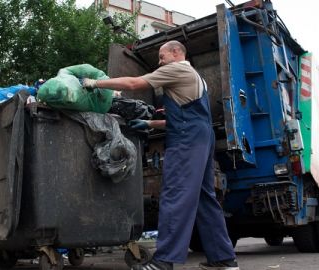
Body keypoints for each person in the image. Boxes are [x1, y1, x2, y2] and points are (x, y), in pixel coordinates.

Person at [82, 40, 239, 270]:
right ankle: (224, 258)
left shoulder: (176, 69)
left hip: (186, 141)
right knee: (205, 199)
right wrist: (148, 123)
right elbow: (183, 119)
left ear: (176, 53)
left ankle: (163, 262)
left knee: (175, 195)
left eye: (161, 56)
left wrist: (95, 82)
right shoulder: (197, 78)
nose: (159, 62)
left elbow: (135, 83)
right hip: (200, 137)